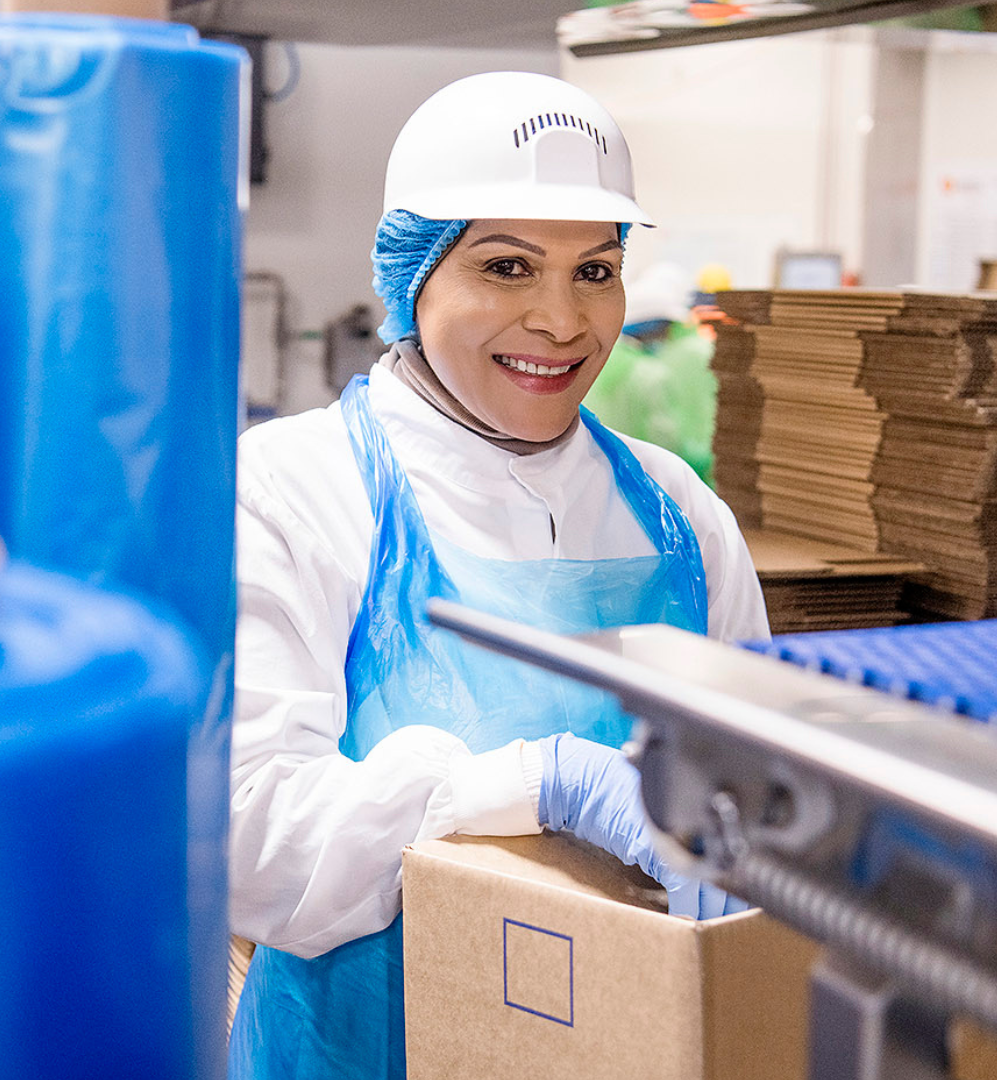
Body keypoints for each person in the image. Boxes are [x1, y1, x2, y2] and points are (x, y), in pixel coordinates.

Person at [227, 71, 769, 1079]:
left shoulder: (682, 517)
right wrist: (537, 783)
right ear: (415, 275)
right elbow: (249, 845)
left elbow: (763, 786)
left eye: (594, 271)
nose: (563, 322)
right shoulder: (295, 490)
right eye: (508, 267)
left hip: (627, 1049)